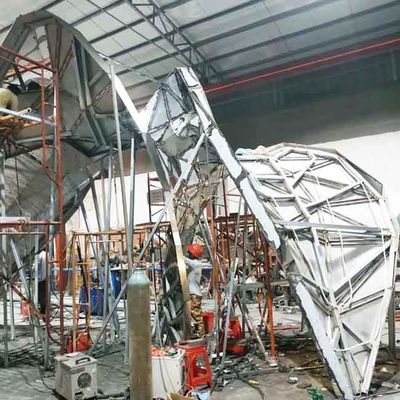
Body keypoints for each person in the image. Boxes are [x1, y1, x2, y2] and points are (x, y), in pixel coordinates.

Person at [185, 243, 211, 339]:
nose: (188, 254)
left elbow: (184, 259)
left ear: (193, 254)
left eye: (189, 252)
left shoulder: (196, 264)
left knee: (196, 315)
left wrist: (177, 252)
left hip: (194, 294)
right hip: (193, 293)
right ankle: (197, 332)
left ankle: (201, 335)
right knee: (192, 314)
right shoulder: (195, 264)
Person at [36, 249, 47, 315]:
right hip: (46, 279)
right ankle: (44, 311)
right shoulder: (48, 255)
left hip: (40, 279)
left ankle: (41, 311)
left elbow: (35, 267)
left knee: (40, 296)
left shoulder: (40, 256)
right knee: (44, 296)